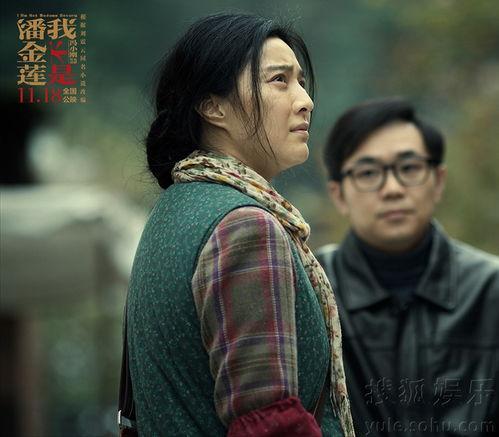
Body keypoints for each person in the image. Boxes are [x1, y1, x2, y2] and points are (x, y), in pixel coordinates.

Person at [120, 13, 355, 437]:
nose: (305, 100)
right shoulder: (245, 228)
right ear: (213, 107)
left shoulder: (174, 210)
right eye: (279, 80)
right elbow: (269, 424)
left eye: (301, 82)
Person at [317, 97, 499, 436]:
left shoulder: (490, 289)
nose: (392, 189)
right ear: (338, 194)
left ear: (438, 181)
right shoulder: (315, 291)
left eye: (410, 168)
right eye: (368, 173)